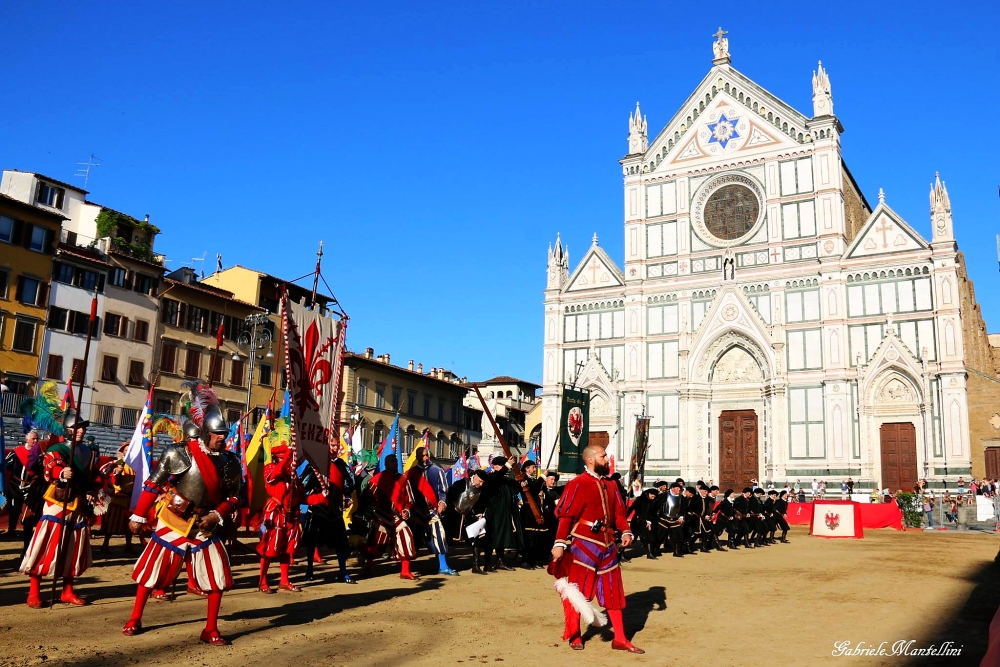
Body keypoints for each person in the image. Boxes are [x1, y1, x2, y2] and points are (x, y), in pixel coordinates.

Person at [122, 382, 242, 645]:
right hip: (174, 521)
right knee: (151, 573)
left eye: (224, 433)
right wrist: (138, 515)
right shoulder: (178, 453)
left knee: (217, 576)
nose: (222, 437)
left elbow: (235, 496)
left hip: (206, 525)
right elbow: (153, 484)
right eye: (217, 433)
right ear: (204, 433)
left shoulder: (231, 462)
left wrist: (218, 515)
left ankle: (210, 628)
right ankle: (135, 617)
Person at [550, 445, 642, 653]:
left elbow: (619, 512)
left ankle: (620, 638)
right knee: (579, 591)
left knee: (613, 592)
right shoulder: (577, 484)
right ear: (591, 460)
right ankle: (575, 635)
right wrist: (559, 543)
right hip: (584, 544)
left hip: (609, 545)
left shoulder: (611, 485)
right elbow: (566, 516)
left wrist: (626, 531)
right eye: (603, 456)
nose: (607, 459)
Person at [20, 410, 104, 608]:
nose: (81, 430)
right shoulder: (56, 448)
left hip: (78, 504)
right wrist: (62, 472)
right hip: (58, 503)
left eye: (83, 427)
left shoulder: (89, 451)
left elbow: (95, 475)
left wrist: (93, 488)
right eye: (76, 427)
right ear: (66, 430)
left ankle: (67, 590)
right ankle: (33, 591)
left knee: (72, 549)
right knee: (46, 545)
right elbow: (51, 465)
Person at [256, 443, 303, 593]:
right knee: (269, 547)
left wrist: (320, 496)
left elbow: (300, 494)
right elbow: (275, 475)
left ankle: (284, 580)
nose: (291, 463)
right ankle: (262, 581)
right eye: (289, 459)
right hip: (275, 514)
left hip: (290, 514)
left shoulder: (293, 475)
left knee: (287, 549)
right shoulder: (270, 468)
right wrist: (288, 456)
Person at [481, 455, 524, 571]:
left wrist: (521, 482)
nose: (505, 468)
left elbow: (516, 487)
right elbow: (495, 480)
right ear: (495, 466)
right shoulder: (491, 477)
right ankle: (487, 563)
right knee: (491, 538)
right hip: (494, 513)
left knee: (502, 537)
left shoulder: (506, 480)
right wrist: (507, 466)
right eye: (502, 465)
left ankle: (500, 561)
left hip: (505, 513)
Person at [420, 449, 458, 575]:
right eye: (422, 455)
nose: (425, 458)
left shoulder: (437, 470)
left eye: (426, 455)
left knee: (439, 535)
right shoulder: (412, 473)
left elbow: (443, 491)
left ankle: (443, 566)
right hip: (414, 512)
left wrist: (442, 502)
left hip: (432, 510)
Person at [100, 442, 139, 554]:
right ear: (122, 452)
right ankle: (105, 544)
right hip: (118, 497)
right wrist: (116, 473)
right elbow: (113, 479)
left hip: (130, 498)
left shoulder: (135, 464)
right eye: (126, 450)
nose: (129, 452)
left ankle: (128, 545)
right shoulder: (118, 463)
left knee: (128, 524)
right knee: (112, 522)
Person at [518, 460, 548, 569]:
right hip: (527, 510)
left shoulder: (532, 479)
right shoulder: (523, 479)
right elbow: (533, 489)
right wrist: (543, 477)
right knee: (528, 536)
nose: (535, 470)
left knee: (536, 536)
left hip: (535, 509)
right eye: (533, 467)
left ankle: (533, 559)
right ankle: (526, 560)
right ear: (526, 469)